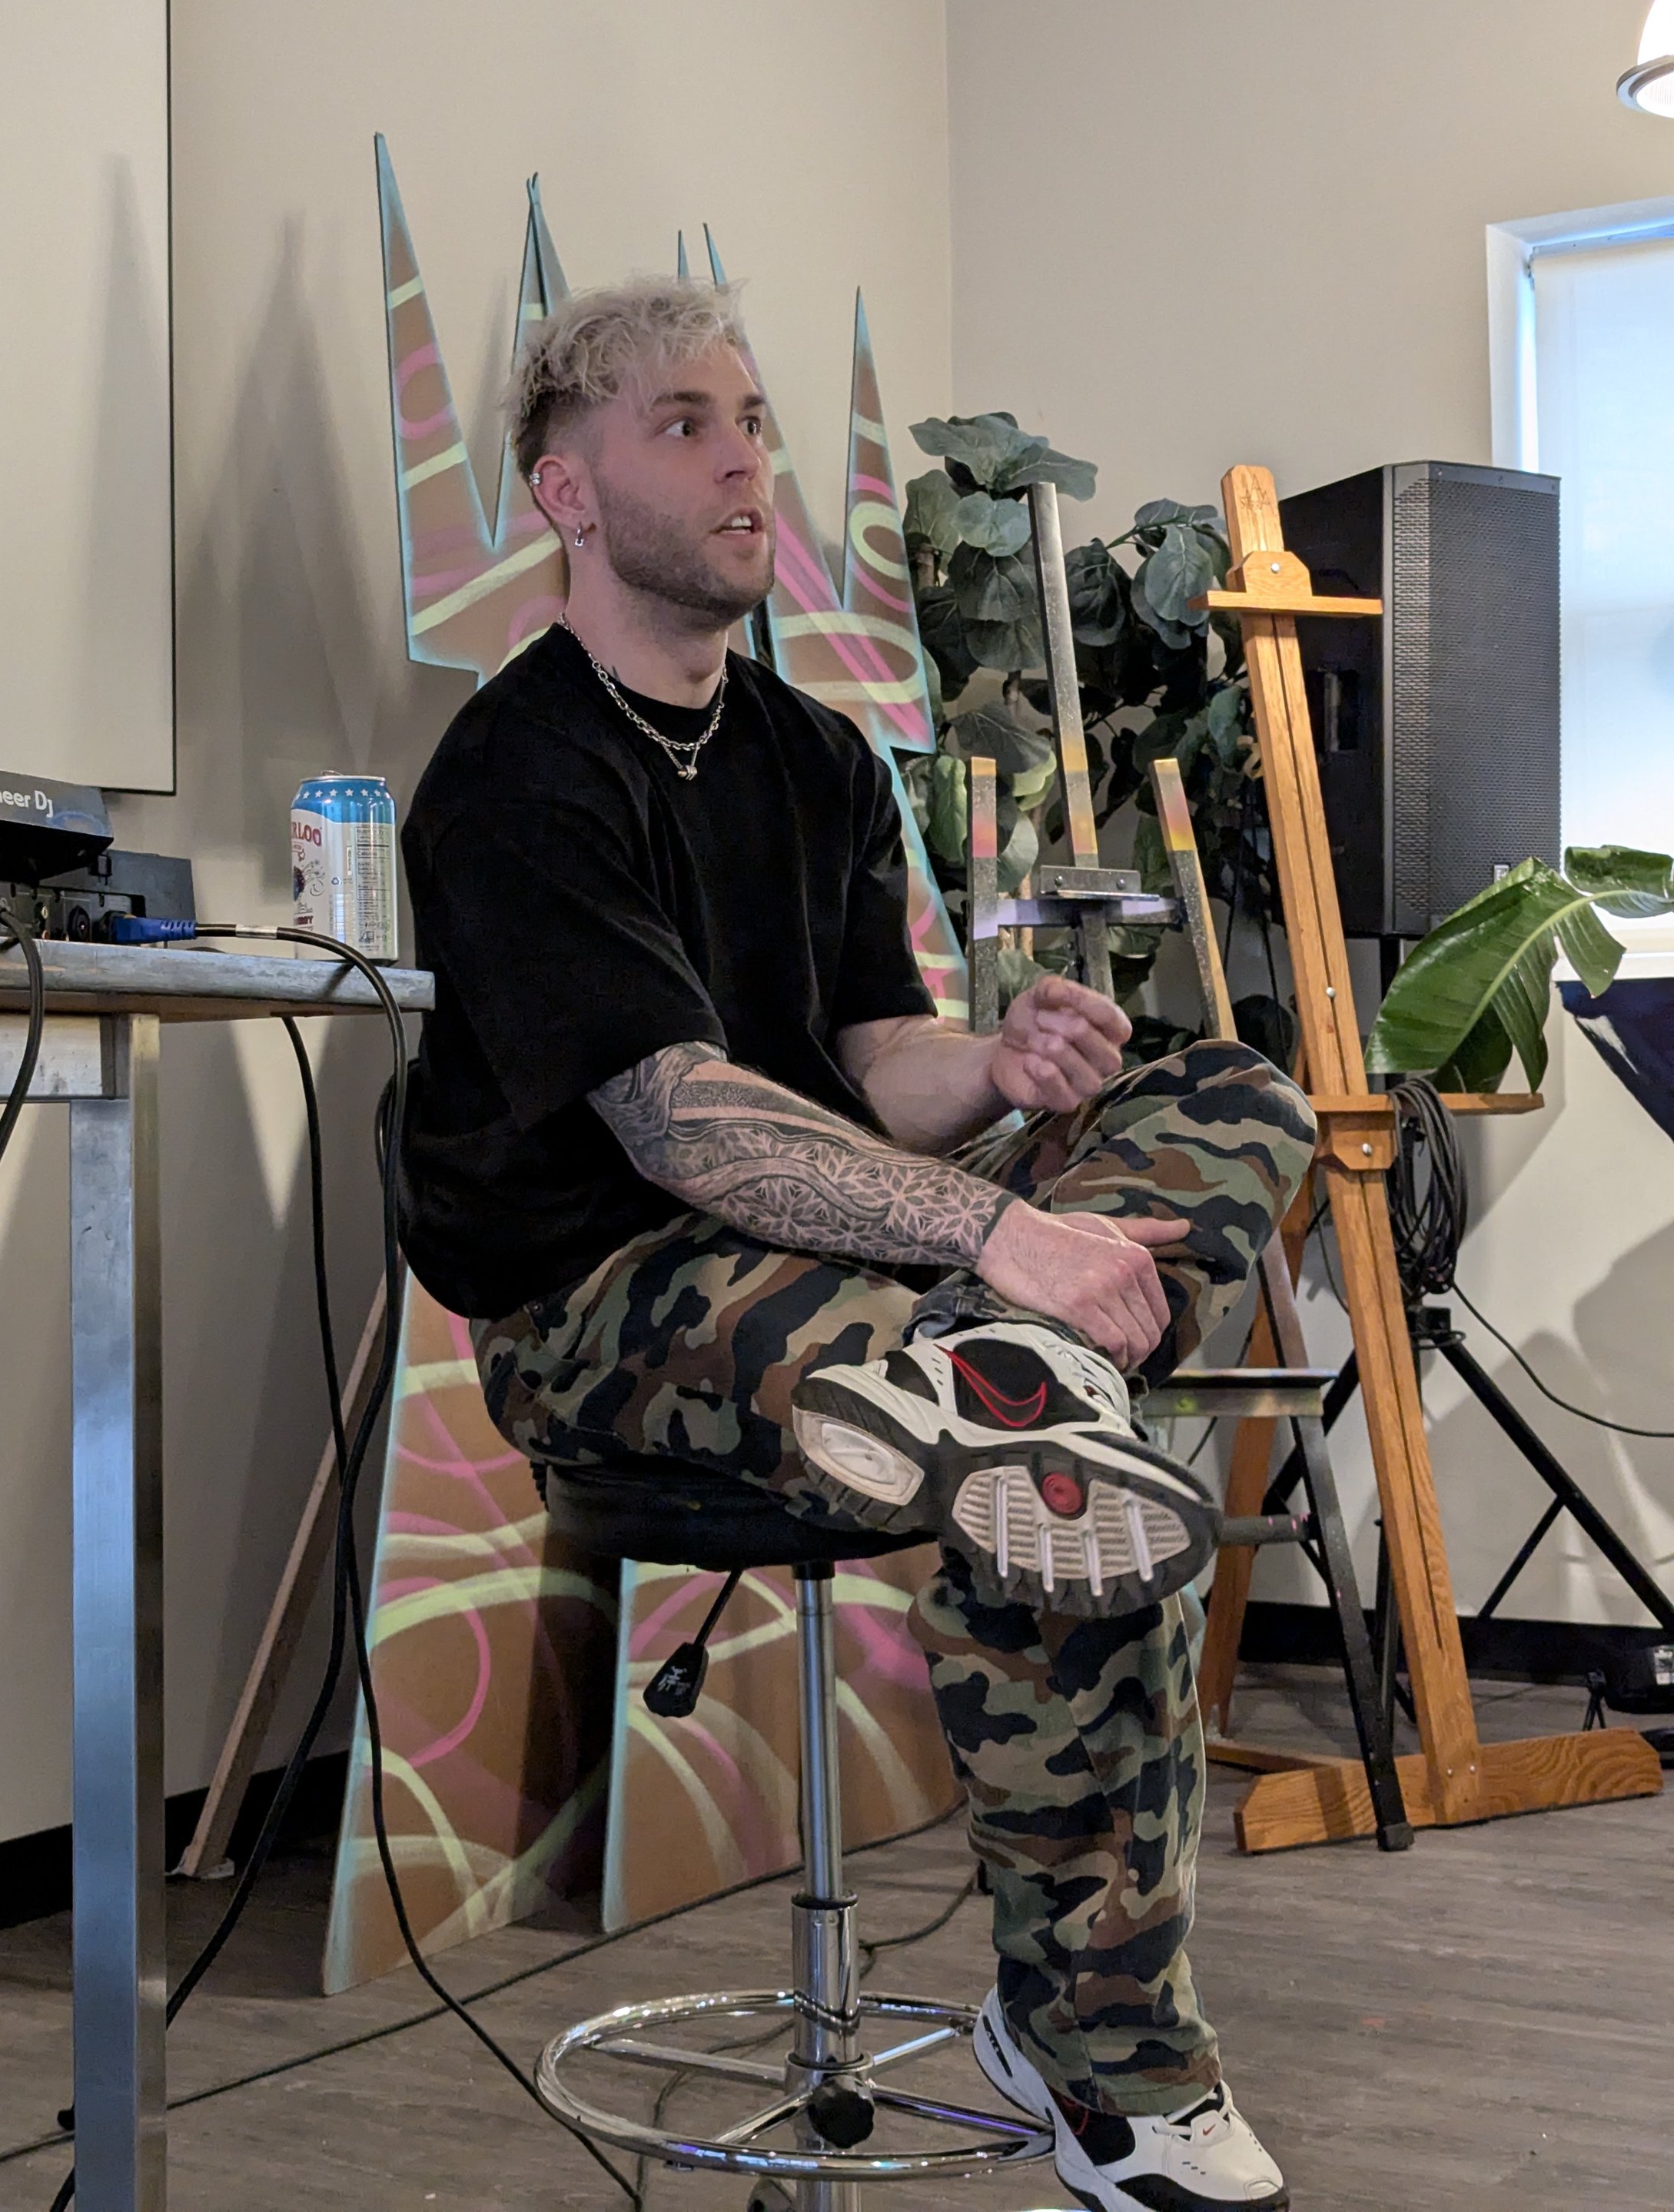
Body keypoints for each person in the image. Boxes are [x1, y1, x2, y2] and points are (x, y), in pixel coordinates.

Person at [398, 277, 1315, 2212]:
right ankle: (1112, 2070)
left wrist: (989, 1065)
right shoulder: (511, 773)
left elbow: (854, 1065)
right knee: (1040, 1464)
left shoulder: (814, 761)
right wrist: (1004, 1227)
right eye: (684, 424)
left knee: (1233, 1090)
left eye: (750, 417)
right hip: (597, 1303)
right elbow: (687, 1119)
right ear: (566, 491)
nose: (746, 455)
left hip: (863, 1297)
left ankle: (1010, 1382)